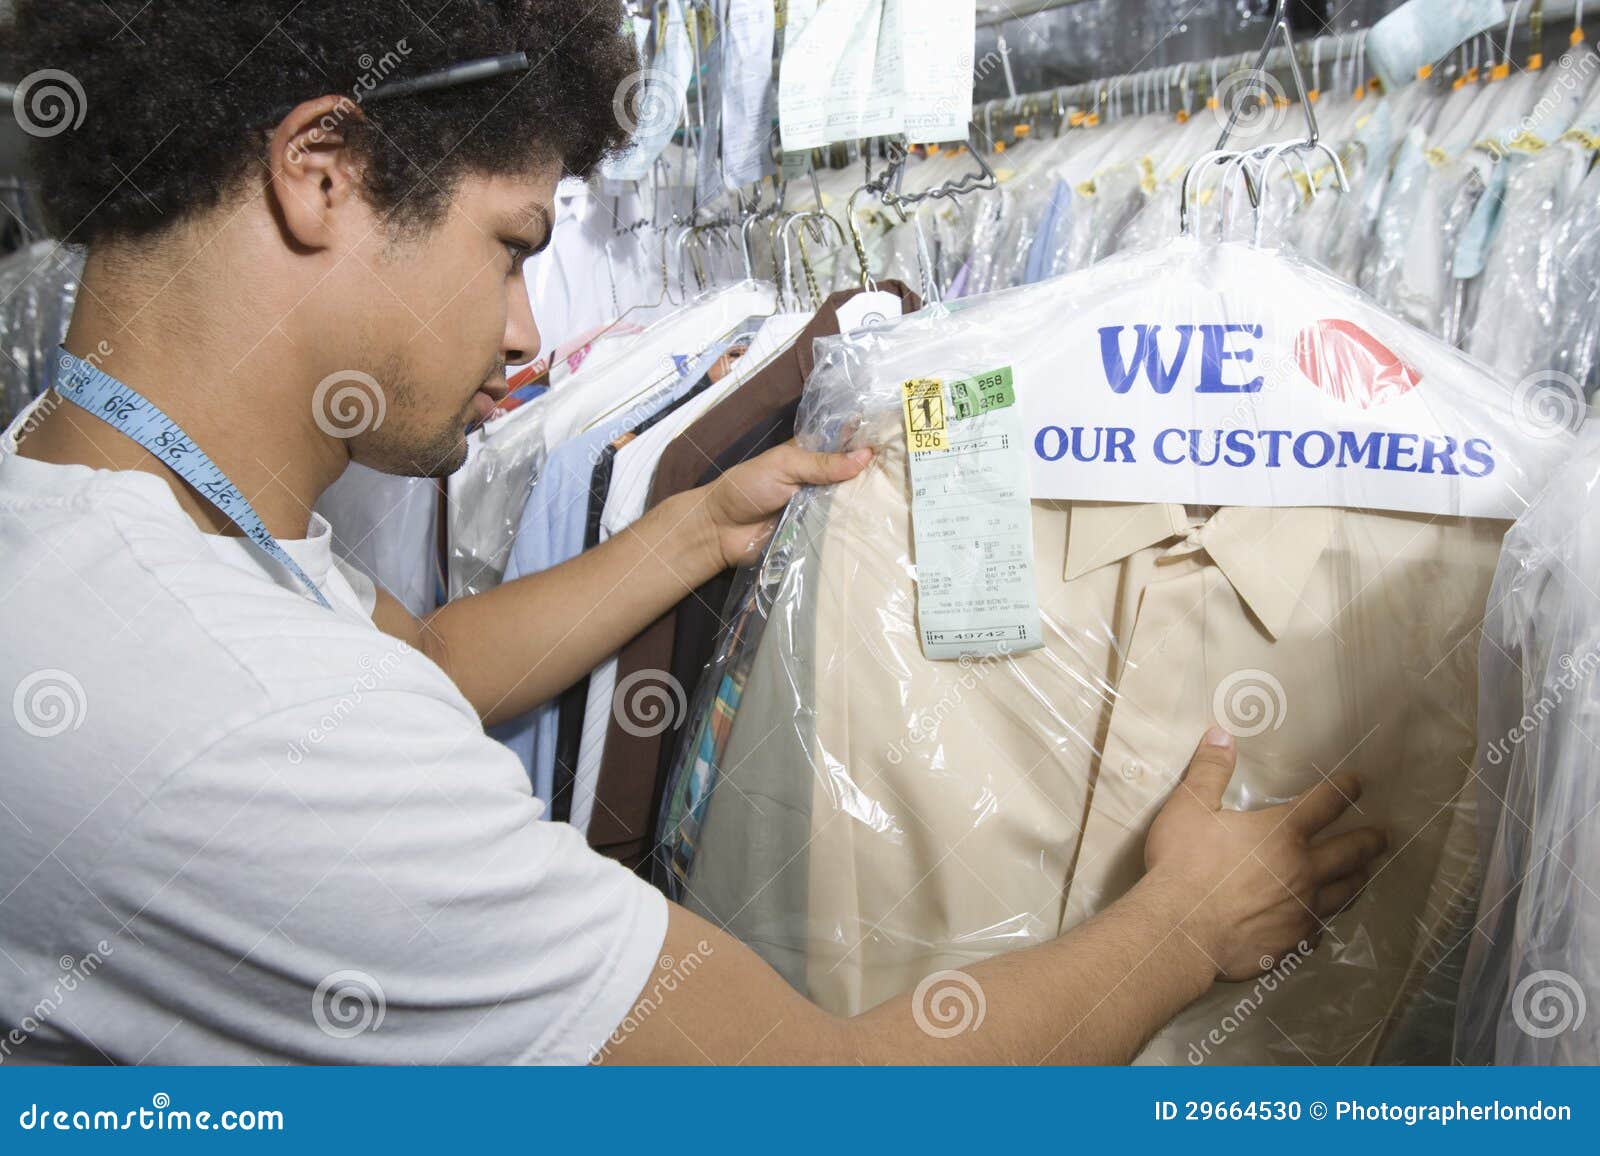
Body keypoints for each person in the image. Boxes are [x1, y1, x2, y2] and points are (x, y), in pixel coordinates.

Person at [0, 1, 1386, 1066]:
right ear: (322, 172)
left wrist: (687, 531)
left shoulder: (79, 496)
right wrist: (1188, 926)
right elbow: (818, 1104)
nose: (525, 333)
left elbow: (413, 661)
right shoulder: (261, 730)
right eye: (511, 246)